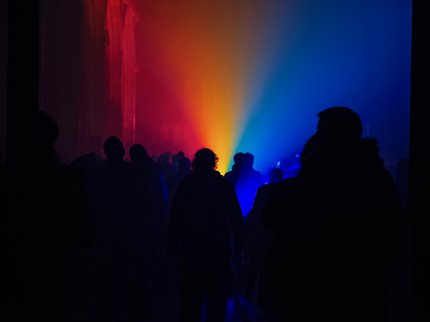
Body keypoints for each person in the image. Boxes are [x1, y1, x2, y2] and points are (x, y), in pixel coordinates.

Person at [262, 106, 404, 322]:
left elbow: (274, 216)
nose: (316, 134)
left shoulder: (313, 180)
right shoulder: (377, 178)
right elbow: (393, 232)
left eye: (321, 130)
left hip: (307, 291)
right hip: (361, 293)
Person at [168, 148, 245, 322]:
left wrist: (173, 246)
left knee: (190, 300)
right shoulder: (223, 185)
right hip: (217, 248)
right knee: (216, 300)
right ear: (214, 163)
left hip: (192, 248)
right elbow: (235, 215)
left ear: (195, 162)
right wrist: (239, 242)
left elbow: (176, 218)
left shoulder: (187, 185)